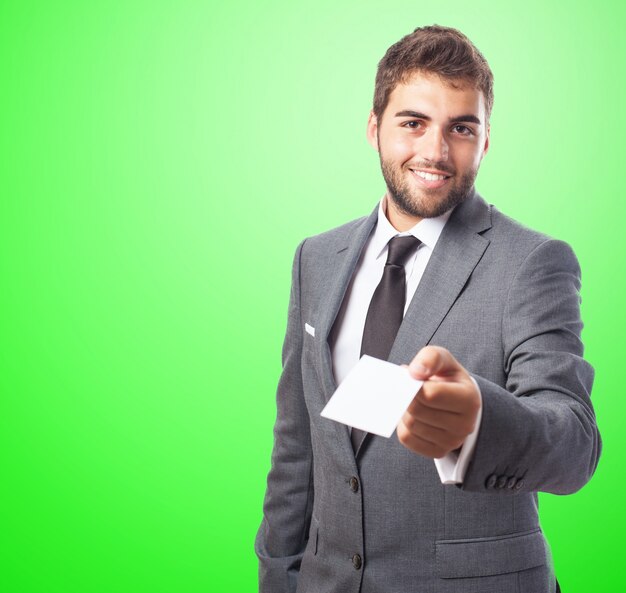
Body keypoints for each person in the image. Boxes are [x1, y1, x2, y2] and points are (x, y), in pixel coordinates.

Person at [255, 25, 600, 593]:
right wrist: (280, 579)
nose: (435, 151)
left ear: (485, 141)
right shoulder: (315, 258)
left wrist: (479, 422)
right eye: (412, 123)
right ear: (374, 128)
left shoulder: (533, 262)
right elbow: (297, 449)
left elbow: (574, 442)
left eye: (461, 128)